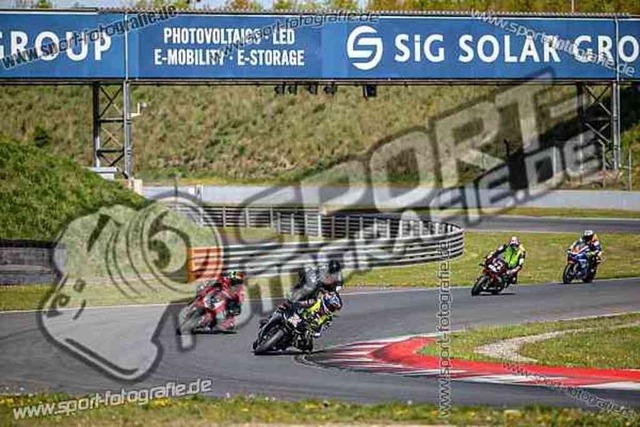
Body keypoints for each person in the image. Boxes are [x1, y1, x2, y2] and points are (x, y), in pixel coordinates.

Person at [277, 260, 344, 338]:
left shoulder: (339, 280)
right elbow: (310, 271)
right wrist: (306, 273)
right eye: (330, 272)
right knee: (306, 288)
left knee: (334, 303)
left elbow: (334, 293)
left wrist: (327, 295)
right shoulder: (322, 269)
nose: (331, 275)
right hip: (315, 285)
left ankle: (317, 324)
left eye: (334, 273)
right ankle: (291, 300)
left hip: (325, 290)